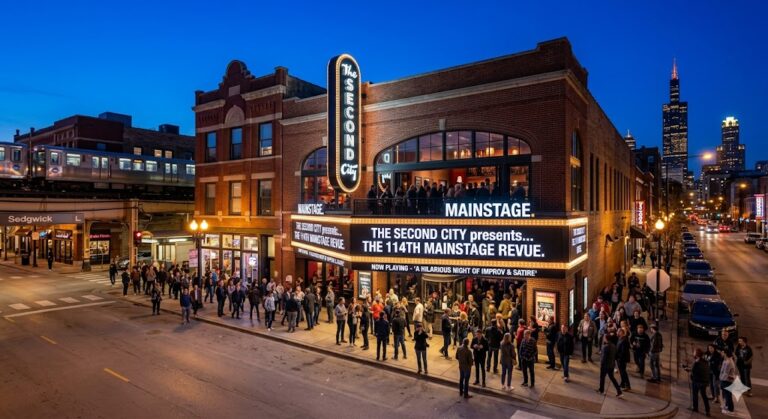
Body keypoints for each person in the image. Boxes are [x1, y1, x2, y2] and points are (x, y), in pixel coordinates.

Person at [688, 348, 711, 416]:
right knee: (704, 396)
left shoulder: (696, 362)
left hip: (697, 381)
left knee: (695, 395)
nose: (693, 353)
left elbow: (693, 372)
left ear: (696, 354)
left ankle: (695, 408)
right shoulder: (705, 361)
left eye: (694, 352)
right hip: (704, 382)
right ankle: (707, 411)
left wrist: (689, 371)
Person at [719, 348, 737, 415]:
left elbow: (725, 373)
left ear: (725, 353)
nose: (721, 353)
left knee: (728, 395)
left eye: (722, 352)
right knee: (726, 395)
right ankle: (727, 406)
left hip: (727, 381)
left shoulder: (728, 362)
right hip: (725, 380)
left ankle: (731, 410)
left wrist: (721, 378)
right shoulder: (726, 360)